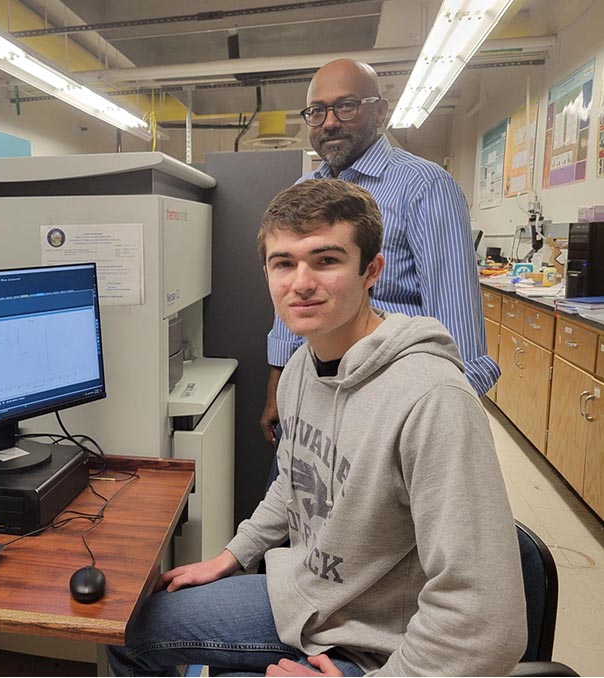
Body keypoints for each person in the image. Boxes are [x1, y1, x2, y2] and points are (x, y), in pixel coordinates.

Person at [107, 179, 525, 677]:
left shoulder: (432, 398)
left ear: (372, 271)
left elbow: (487, 621)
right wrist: (231, 556)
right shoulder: (305, 365)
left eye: (326, 261)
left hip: (385, 650)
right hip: (306, 597)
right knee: (123, 630)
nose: (300, 283)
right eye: (283, 263)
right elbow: (293, 480)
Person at [260, 58, 498, 446]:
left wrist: (444, 426)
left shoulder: (425, 186)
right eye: (317, 112)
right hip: (314, 390)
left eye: (346, 106)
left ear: (380, 112)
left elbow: (458, 330)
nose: (330, 122)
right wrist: (278, 383)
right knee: (299, 498)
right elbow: (291, 301)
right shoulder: (303, 187)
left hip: (392, 395)